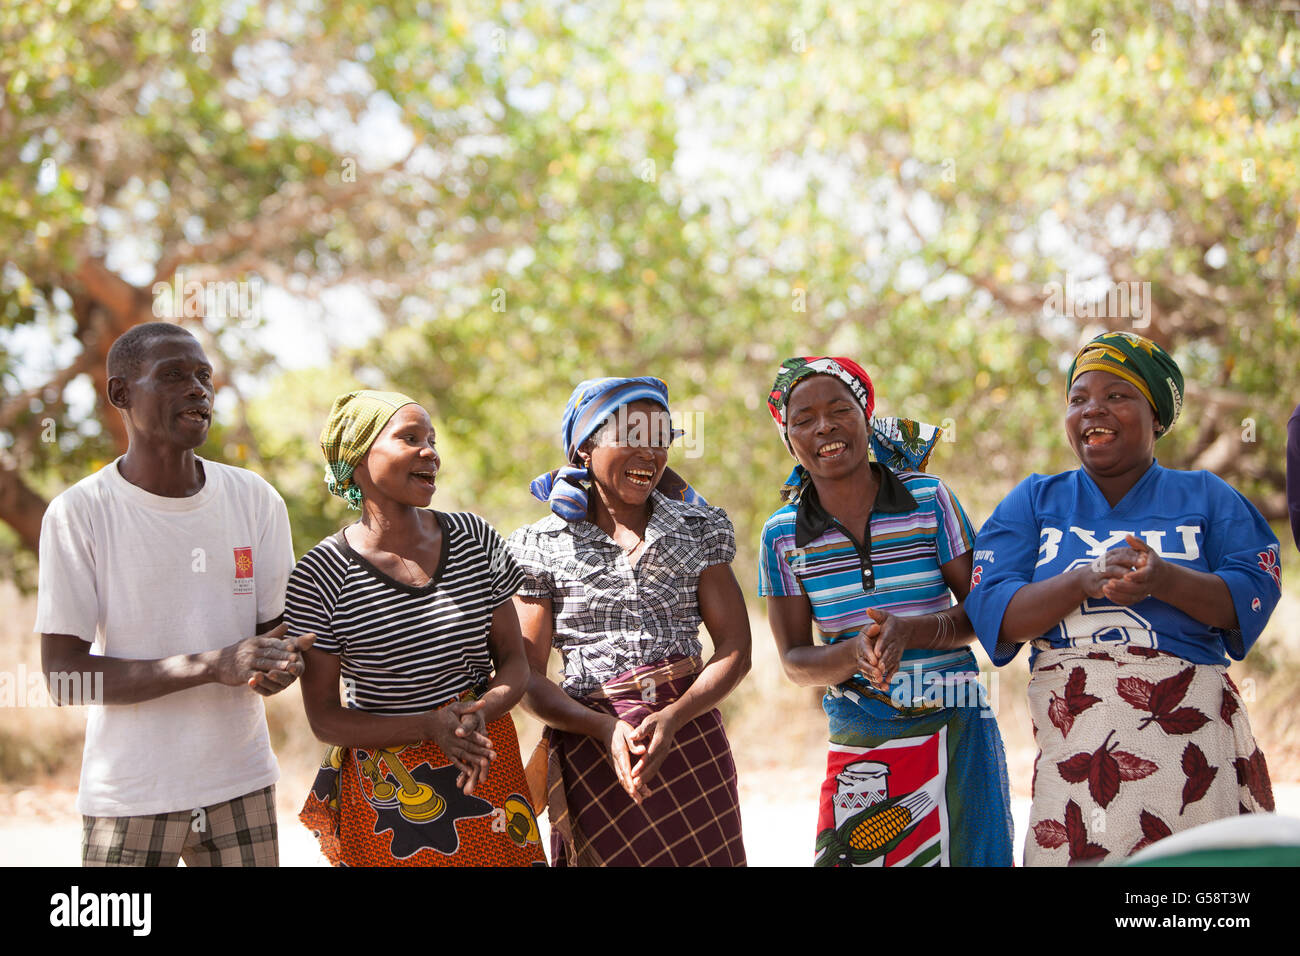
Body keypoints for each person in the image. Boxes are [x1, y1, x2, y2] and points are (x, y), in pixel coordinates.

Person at [965, 331, 1278, 866]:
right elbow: (996, 612)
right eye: (1079, 398)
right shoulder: (1035, 501)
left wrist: (1165, 580)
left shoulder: (1206, 495)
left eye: (1117, 396)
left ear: (1156, 416)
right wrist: (1081, 581)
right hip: (1077, 747)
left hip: (1187, 748)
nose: (1093, 410)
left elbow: (1250, 595)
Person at [36, 321, 307, 867]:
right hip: (130, 795)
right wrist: (211, 665)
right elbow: (64, 676)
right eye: (174, 376)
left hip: (241, 784)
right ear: (120, 394)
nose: (198, 390)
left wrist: (280, 666)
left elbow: (273, 642)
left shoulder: (256, 500)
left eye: (204, 377)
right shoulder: (80, 512)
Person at [758, 356, 1013, 867]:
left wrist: (912, 631)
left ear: (865, 418)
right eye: (803, 420)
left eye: (839, 410)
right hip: (863, 733)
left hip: (957, 719)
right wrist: (855, 652)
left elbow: (982, 613)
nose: (824, 426)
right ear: (789, 441)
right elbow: (793, 660)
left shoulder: (929, 499)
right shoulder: (782, 535)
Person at [286, 389, 545, 866]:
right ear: (358, 458)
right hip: (394, 790)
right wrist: (428, 726)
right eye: (410, 438)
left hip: (482, 759)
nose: (431, 452)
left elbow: (514, 659)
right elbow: (325, 718)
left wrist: (478, 712)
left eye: (432, 439)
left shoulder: (473, 538)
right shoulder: (321, 573)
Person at [507, 376, 750, 866]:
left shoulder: (698, 529)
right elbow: (527, 676)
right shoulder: (541, 545)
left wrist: (674, 717)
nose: (650, 453)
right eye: (631, 437)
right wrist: (602, 728)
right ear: (584, 448)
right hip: (592, 754)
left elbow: (736, 650)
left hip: (690, 745)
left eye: (661, 438)